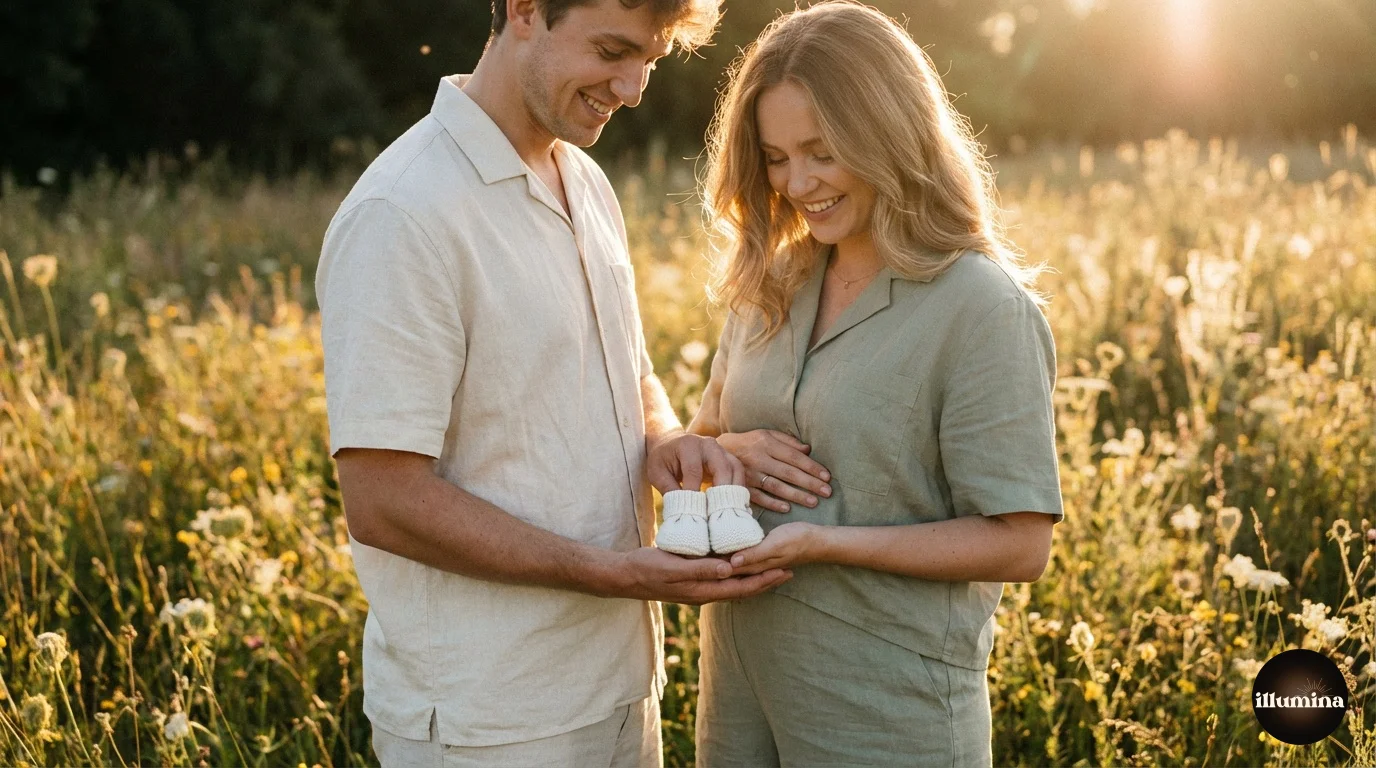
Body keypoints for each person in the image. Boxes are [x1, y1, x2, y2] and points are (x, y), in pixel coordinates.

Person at [314, 1, 792, 765]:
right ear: (525, 10)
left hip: (619, 686)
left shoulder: (586, 178)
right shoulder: (401, 214)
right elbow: (382, 501)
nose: (633, 87)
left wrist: (664, 440)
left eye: (652, 61)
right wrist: (609, 572)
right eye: (612, 50)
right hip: (491, 719)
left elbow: (625, 372)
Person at [688, 2, 1065, 765]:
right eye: (776, 156)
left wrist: (829, 541)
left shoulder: (980, 307)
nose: (798, 182)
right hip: (738, 675)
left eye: (822, 151)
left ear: (888, 134)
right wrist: (727, 450)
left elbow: (1019, 543)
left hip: (887, 696)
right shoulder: (774, 279)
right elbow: (697, 443)